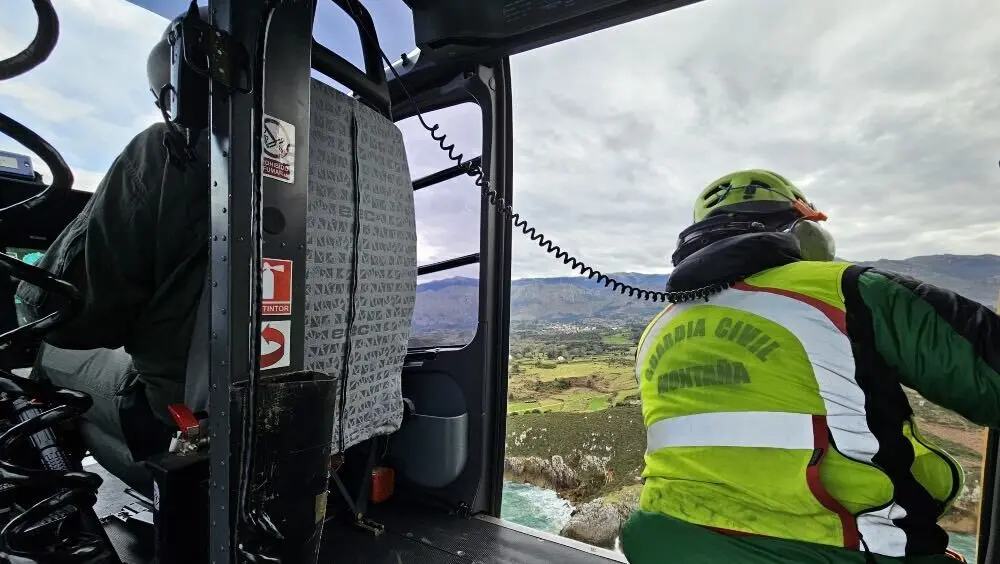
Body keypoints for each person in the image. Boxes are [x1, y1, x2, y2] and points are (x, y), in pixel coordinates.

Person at [621, 169, 998, 564]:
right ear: (804, 228)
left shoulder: (656, 330)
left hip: (665, 546)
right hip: (841, 551)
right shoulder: (849, 290)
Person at [15, 8, 210, 469]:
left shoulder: (168, 150)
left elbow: (56, 315)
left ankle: (44, 485)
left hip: (186, 418)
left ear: (172, 91)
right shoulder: (336, 172)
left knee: (47, 353)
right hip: (317, 415)